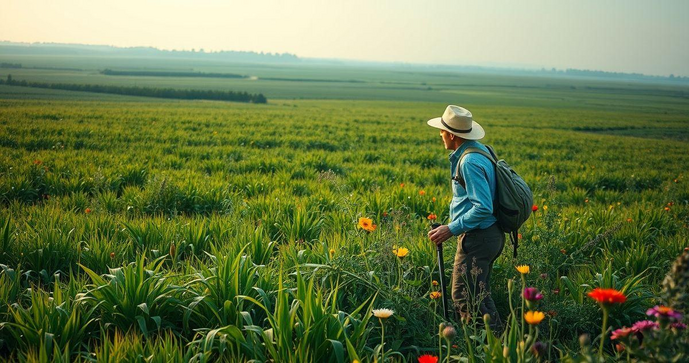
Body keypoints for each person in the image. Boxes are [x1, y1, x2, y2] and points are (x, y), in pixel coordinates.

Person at [426, 105, 504, 330]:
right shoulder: (480, 150)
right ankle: (499, 343)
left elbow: (483, 207)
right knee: (479, 296)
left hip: (479, 238)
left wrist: (451, 228)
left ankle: (483, 348)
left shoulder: (468, 161)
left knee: (465, 296)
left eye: (442, 131)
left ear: (451, 134)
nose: (440, 135)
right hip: (489, 235)